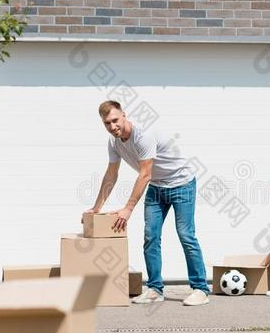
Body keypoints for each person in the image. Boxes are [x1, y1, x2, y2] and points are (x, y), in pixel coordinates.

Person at [83, 100, 210, 306]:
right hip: (157, 187)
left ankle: (200, 289)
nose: (113, 126)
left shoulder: (143, 135)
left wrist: (128, 208)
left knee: (186, 234)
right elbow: (111, 174)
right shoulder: (114, 142)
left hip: (181, 183)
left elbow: (145, 174)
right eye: (107, 123)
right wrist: (97, 207)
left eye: (115, 120)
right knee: (151, 236)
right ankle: (154, 289)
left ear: (124, 115)